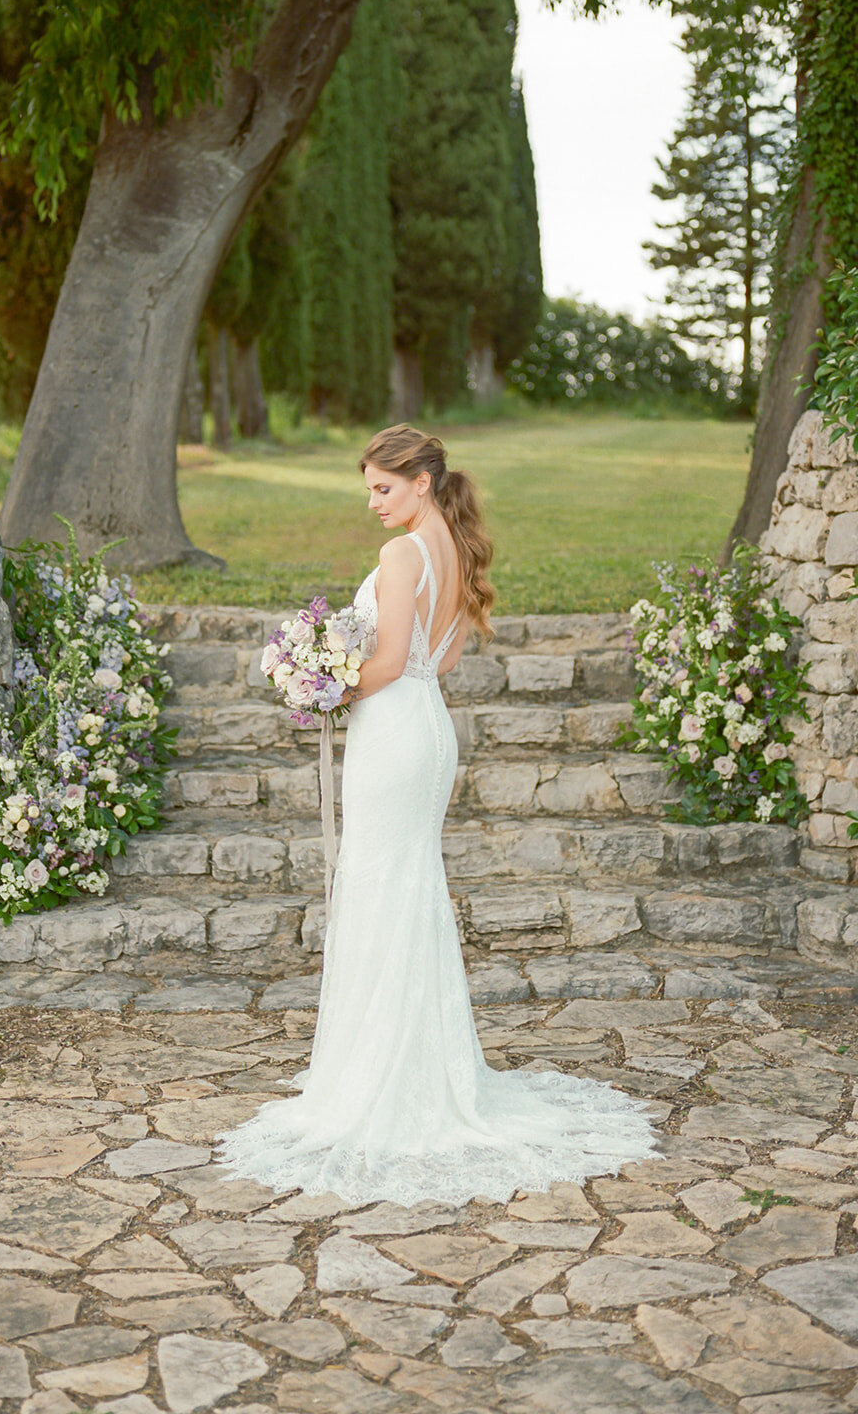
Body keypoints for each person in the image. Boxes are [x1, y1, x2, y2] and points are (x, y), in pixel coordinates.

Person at [214, 424, 658, 1205]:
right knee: (403, 887)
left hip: (392, 734)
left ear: (421, 479)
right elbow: (440, 659)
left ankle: (383, 1078)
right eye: (368, 491)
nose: (374, 504)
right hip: (427, 726)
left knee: (383, 885)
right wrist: (338, 671)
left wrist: (316, 685)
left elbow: (384, 663)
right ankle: (411, 1063)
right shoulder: (448, 545)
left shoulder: (401, 554)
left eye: (384, 488)